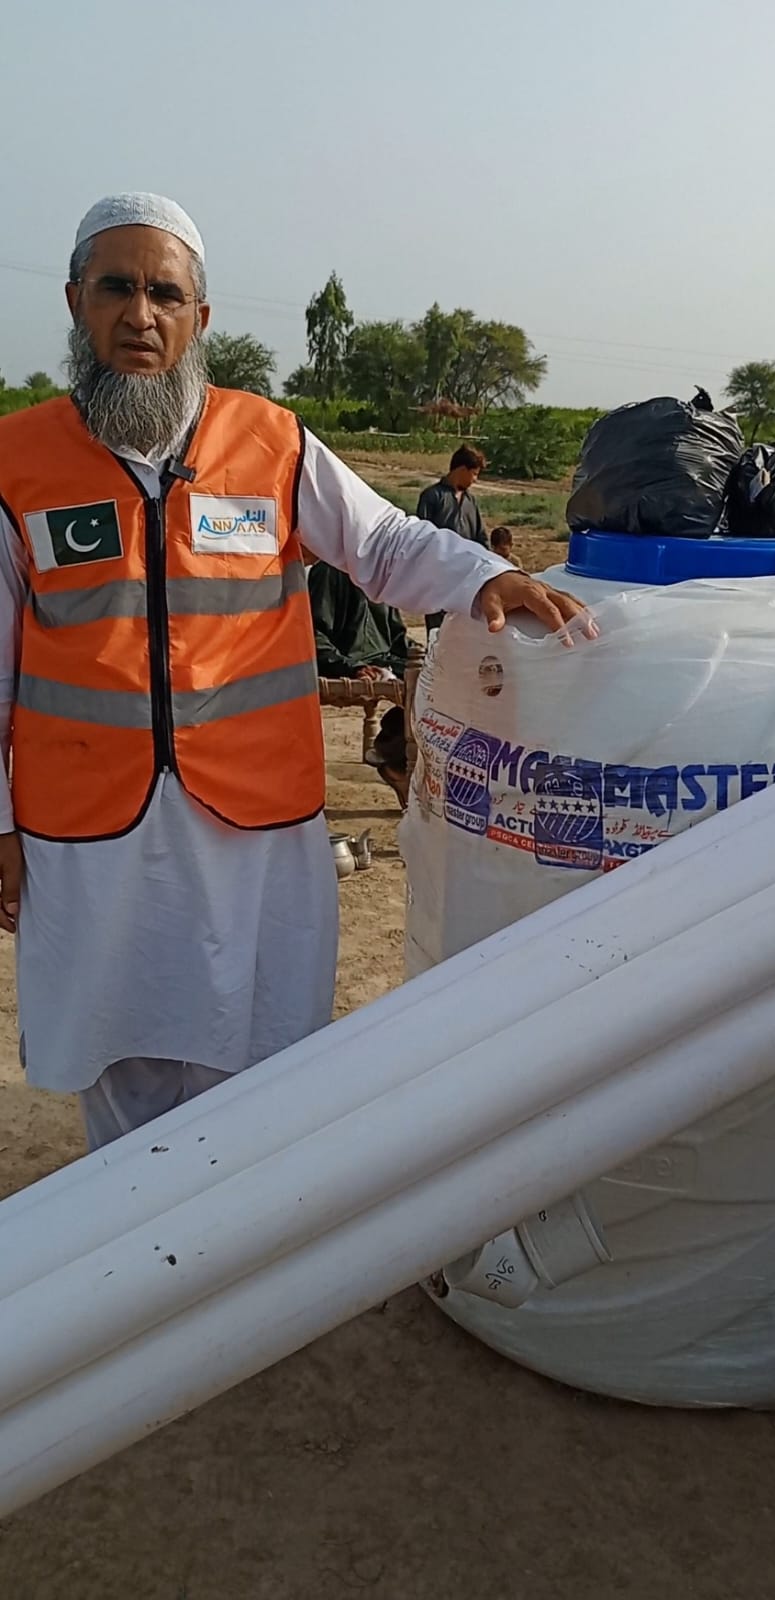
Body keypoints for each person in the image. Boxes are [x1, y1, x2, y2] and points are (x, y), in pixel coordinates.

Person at [0, 191, 586, 1151]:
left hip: (251, 821)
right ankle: (139, 1239)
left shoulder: (269, 442)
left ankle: (233, 1235)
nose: (138, 316)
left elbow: (386, 544)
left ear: (200, 318)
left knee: (254, 1040)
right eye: (115, 289)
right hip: (85, 830)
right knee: (120, 1047)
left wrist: (490, 572)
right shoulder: (14, 461)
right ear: (74, 302)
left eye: (164, 293)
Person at [417, 445, 488, 634]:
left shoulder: (471, 502)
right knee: (438, 633)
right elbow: (422, 537)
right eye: (474, 474)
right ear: (461, 469)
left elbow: (480, 537)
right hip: (438, 577)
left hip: (466, 578)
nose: (475, 479)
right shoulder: (432, 497)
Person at [307, 559, 410, 681]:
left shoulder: (381, 576)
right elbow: (313, 637)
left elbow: (397, 639)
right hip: (348, 669)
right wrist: (355, 668)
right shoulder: (328, 572)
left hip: (386, 664)